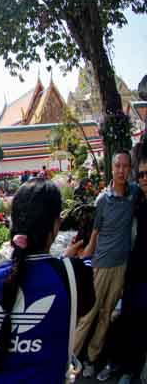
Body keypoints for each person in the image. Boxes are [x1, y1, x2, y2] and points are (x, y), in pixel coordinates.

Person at [0, 179, 95, 383]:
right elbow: (85, 306)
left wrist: (64, 263)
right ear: (55, 225)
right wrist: (72, 262)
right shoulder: (72, 275)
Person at [75, 151, 138, 378]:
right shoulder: (103, 199)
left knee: (106, 315)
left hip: (121, 266)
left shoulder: (134, 194)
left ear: (130, 169)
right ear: (112, 169)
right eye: (118, 166)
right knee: (88, 315)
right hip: (101, 265)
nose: (121, 170)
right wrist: (81, 259)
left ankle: (92, 359)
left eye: (125, 166)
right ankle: (68, 360)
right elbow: (95, 234)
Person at [103, 144, 147, 384]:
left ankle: (135, 369)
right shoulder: (136, 199)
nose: (144, 179)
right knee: (130, 317)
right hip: (135, 269)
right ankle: (126, 367)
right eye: (140, 174)